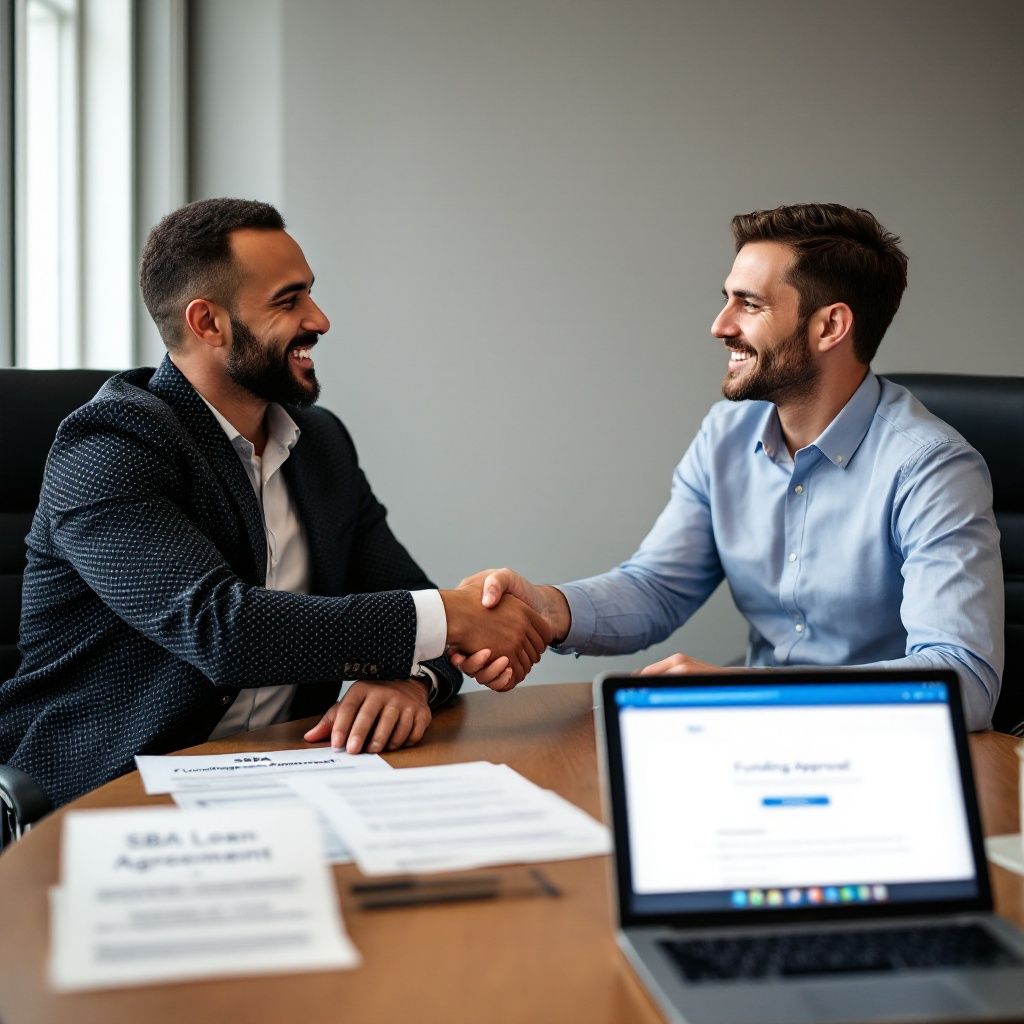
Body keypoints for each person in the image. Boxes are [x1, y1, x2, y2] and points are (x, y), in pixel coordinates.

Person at [0, 198, 550, 808]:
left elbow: (412, 603)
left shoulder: (322, 446)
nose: (320, 319)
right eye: (289, 301)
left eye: (310, 294)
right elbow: (222, 629)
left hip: (291, 778)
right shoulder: (110, 446)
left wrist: (411, 680)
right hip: (112, 796)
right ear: (208, 323)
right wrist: (451, 615)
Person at [455, 203, 1004, 730]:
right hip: (751, 741)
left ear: (829, 326)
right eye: (726, 299)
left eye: (750, 304)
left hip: (888, 753)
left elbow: (964, 679)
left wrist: (749, 693)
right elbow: (658, 588)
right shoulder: (725, 435)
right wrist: (549, 608)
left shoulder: (932, 468)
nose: (720, 326)